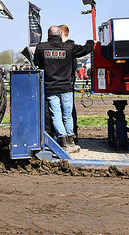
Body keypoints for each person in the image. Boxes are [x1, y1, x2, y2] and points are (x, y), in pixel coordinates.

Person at [33, 25, 93, 153]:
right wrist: (90, 42)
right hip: (66, 87)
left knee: (56, 115)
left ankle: (63, 141)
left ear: (48, 36)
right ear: (60, 35)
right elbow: (85, 49)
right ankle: (71, 141)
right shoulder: (70, 47)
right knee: (68, 115)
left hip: (50, 88)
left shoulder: (41, 47)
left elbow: (37, 63)